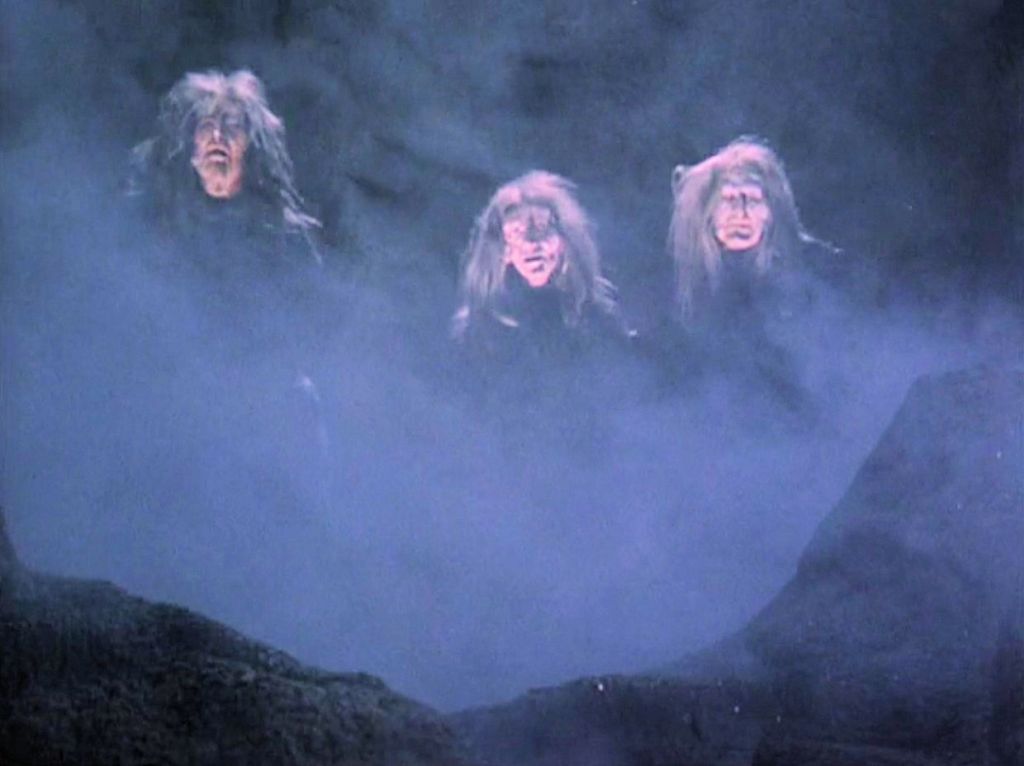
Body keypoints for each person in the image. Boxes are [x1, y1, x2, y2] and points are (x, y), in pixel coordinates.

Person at [665, 137, 855, 413]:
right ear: (707, 213)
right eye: (728, 199)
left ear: (772, 212)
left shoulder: (819, 269)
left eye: (753, 200)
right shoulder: (683, 279)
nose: (741, 213)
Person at [128, 69, 322, 287]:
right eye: (207, 125)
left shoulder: (286, 235)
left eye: (232, 126)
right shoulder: (163, 227)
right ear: (192, 145)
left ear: (250, 145)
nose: (217, 136)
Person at [452, 170, 628, 365]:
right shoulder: (480, 329)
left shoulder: (597, 315)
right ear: (502, 249)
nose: (531, 243)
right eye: (517, 231)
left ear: (564, 241)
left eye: (542, 228)